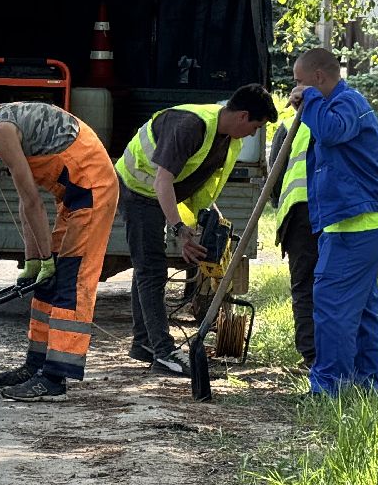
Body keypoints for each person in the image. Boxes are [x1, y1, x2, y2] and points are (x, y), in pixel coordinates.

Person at [0, 88, 119, 401]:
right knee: (44, 286)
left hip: (92, 193)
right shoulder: (2, 122)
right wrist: (34, 263)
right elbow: (24, 204)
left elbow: (32, 203)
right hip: (74, 196)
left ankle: (55, 379)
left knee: (70, 281)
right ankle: (36, 365)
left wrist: (46, 260)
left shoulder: (2, 131)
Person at [115, 84, 278, 375]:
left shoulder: (229, 138)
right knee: (151, 269)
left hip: (164, 193)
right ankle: (164, 352)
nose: (255, 133)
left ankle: (144, 343)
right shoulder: (190, 126)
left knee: (147, 268)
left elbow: (198, 186)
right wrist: (179, 229)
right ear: (243, 116)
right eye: (256, 125)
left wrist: (210, 224)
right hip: (138, 189)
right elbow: (161, 182)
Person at [288, 48, 378, 396]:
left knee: (332, 305)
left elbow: (332, 133)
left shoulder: (346, 104)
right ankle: (365, 384)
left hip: (356, 226)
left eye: (300, 82)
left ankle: (328, 388)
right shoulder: (338, 104)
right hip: (356, 222)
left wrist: (311, 102)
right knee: (362, 309)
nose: (296, 90)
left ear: (319, 78)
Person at [268, 116, 316, 371]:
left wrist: (278, 203)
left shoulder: (290, 124)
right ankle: (330, 357)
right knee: (332, 285)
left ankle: (311, 356)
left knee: (304, 285)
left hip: (300, 214)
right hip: (337, 213)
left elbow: (274, 175)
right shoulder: (347, 116)